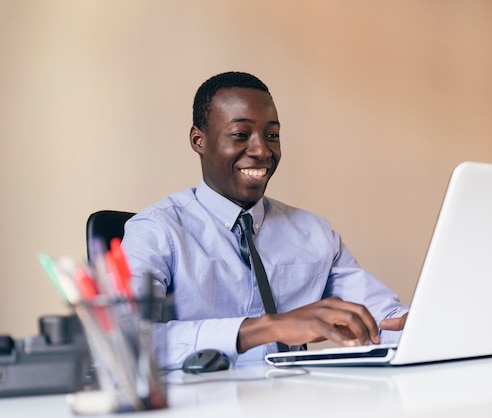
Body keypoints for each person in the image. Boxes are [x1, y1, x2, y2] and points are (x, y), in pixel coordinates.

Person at [122, 71, 408, 367]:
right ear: (198, 140)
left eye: (272, 136)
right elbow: (125, 341)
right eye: (240, 135)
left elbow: (386, 321)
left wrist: (421, 325)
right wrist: (268, 328)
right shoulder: (157, 231)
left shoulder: (314, 232)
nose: (262, 150)